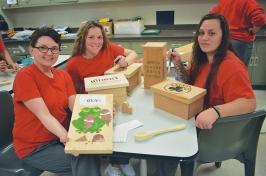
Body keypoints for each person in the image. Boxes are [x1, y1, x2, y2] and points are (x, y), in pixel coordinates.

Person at [155, 13, 256, 176]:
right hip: (195, 116)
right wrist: (178, 64)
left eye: (212, 33)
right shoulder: (202, 58)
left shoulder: (232, 67)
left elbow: (249, 103)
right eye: (201, 33)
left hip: (212, 132)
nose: (204, 38)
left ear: (224, 37)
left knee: (167, 139)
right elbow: (189, 84)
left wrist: (215, 111)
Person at [12, 27, 100, 176]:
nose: (49, 53)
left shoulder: (62, 75)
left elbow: (75, 105)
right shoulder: (25, 76)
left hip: (57, 137)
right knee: (82, 160)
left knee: (89, 154)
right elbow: (44, 115)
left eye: (54, 49)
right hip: (35, 146)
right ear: (31, 50)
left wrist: (99, 112)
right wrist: (66, 137)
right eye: (43, 48)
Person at [65, 21, 138, 176]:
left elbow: (133, 54)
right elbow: (73, 97)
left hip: (116, 99)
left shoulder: (108, 48)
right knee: (111, 128)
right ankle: (114, 164)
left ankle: (120, 161)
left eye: (99, 37)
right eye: (91, 37)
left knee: (127, 125)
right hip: (93, 108)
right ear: (82, 39)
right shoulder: (73, 64)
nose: (96, 41)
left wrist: (126, 61)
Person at [209, 0, 266, 66]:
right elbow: (260, 18)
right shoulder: (248, 1)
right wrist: (253, 31)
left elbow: (211, 16)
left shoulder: (224, 1)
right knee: (238, 71)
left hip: (224, 41)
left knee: (224, 69)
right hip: (241, 41)